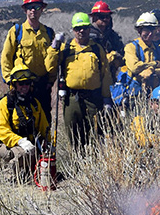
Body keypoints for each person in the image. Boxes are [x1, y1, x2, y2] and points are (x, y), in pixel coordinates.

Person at [46, 13, 112, 147]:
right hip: (72, 99)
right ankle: (77, 164)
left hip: (93, 98)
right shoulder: (66, 48)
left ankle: (94, 163)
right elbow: (49, 66)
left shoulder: (96, 49)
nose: (81, 31)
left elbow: (105, 75)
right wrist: (54, 47)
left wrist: (107, 99)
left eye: (84, 27)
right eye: (77, 28)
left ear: (89, 28)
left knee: (95, 134)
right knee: (74, 135)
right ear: (73, 30)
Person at [0, 0, 57, 122]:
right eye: (30, 7)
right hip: (22, 84)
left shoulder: (48, 33)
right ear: (25, 10)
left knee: (44, 118)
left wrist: (50, 81)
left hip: (42, 84)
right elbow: (6, 57)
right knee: (23, 119)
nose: (33, 10)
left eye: (37, 7)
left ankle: (44, 142)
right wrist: (10, 81)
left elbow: (54, 59)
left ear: (42, 9)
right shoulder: (16, 31)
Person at [0, 66, 50, 182]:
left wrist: (48, 144)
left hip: (30, 145)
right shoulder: (5, 104)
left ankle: (30, 173)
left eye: (27, 83)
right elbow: (2, 131)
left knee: (44, 157)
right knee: (22, 154)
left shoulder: (35, 103)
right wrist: (20, 141)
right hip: (7, 144)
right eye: (21, 83)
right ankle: (8, 175)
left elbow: (44, 127)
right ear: (14, 85)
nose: (24, 86)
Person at [124, 12, 160, 90]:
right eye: (147, 30)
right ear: (139, 30)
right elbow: (134, 68)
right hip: (135, 92)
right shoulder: (131, 47)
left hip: (154, 93)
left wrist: (153, 71)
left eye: (153, 29)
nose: (150, 33)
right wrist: (154, 64)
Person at [89, 0, 125, 82]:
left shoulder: (113, 36)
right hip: (92, 79)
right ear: (94, 17)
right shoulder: (87, 36)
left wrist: (117, 58)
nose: (105, 19)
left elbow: (122, 54)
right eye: (102, 16)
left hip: (110, 77)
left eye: (107, 16)